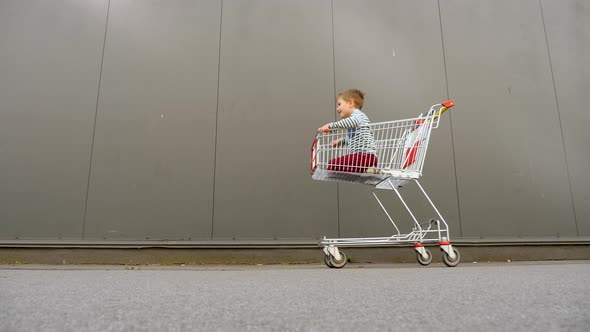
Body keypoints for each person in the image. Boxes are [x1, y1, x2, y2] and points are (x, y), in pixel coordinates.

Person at [318, 89, 378, 173]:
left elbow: (349, 122)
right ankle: (369, 170)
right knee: (336, 166)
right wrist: (341, 141)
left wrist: (331, 126)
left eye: (339, 104)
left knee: (333, 164)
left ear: (351, 103)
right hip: (362, 158)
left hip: (364, 157)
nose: (337, 109)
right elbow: (353, 137)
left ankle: (367, 168)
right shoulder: (354, 119)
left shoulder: (357, 115)